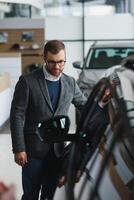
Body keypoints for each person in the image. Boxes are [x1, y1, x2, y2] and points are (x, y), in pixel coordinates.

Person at [10, 40, 86, 200]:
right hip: (32, 151)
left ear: (65, 59)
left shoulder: (70, 82)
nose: (57, 67)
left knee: (50, 194)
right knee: (31, 195)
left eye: (61, 62)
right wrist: (19, 148)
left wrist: (104, 102)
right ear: (44, 58)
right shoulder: (27, 81)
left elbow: (84, 106)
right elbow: (17, 115)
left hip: (57, 151)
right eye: (52, 62)